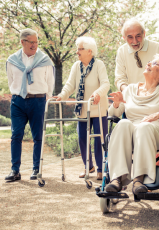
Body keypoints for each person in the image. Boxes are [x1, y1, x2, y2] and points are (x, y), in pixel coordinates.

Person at [106, 54, 159, 195]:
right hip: (132, 130)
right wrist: (116, 104)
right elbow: (114, 114)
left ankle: (138, 180)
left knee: (144, 126)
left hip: (156, 131)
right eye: (150, 61)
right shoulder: (129, 89)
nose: (148, 63)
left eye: (154, 63)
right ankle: (116, 178)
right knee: (123, 123)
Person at [53, 36, 110, 180]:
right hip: (83, 109)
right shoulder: (76, 66)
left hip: (97, 109)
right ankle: (88, 166)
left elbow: (105, 84)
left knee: (99, 140)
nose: (77, 52)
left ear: (90, 51)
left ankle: (100, 169)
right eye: (77, 49)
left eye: (80, 49)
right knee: (83, 138)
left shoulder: (99, 65)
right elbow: (70, 85)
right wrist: (62, 96)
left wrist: (97, 93)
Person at [5, 28, 55, 181]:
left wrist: (44, 99)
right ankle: (15, 170)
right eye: (31, 42)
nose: (34, 45)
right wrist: (18, 94)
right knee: (16, 135)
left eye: (36, 42)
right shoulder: (12, 60)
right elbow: (11, 81)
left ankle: (36, 169)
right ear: (22, 42)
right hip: (18, 101)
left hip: (38, 101)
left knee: (38, 136)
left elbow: (50, 83)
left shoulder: (45, 60)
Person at [115, 18, 159, 92]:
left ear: (144, 34)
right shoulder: (121, 51)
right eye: (130, 37)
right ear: (124, 38)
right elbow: (120, 79)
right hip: (132, 98)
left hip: (156, 97)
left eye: (138, 36)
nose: (135, 41)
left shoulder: (158, 48)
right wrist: (130, 95)